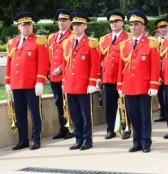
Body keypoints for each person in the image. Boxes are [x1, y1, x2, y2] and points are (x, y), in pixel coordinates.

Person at [5, 12, 49, 150]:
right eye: (24, 25)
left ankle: (36, 139)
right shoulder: (12, 43)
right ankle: (23, 139)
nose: (27, 27)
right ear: (18, 27)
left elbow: (43, 63)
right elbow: (9, 63)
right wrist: (7, 81)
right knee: (20, 113)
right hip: (17, 84)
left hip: (31, 84)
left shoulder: (39, 41)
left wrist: (40, 81)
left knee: (35, 112)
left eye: (29, 24)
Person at [117, 11, 160, 153]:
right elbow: (121, 67)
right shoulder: (125, 44)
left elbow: (154, 66)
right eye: (131, 24)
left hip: (144, 85)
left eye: (137, 24)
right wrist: (120, 84)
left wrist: (154, 84)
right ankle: (137, 142)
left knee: (144, 116)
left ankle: (146, 142)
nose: (133, 27)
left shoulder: (151, 43)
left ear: (143, 27)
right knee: (133, 116)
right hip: (129, 85)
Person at [62, 12, 100, 151]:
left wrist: (92, 83)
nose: (76, 27)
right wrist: (64, 81)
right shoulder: (67, 42)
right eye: (74, 25)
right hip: (70, 84)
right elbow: (65, 63)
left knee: (85, 114)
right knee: (74, 114)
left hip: (84, 85)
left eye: (79, 25)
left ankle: (87, 139)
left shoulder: (90, 43)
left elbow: (94, 65)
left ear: (85, 26)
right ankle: (78, 138)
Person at [98, 11, 130, 140]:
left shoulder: (128, 38)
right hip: (108, 77)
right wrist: (98, 77)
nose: (114, 24)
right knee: (110, 105)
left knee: (125, 104)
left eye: (116, 21)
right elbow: (99, 59)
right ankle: (110, 128)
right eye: (111, 22)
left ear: (122, 23)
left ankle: (126, 127)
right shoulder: (104, 39)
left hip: (123, 77)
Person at [47, 9, 73, 140]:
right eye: (60, 20)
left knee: (68, 102)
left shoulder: (72, 36)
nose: (62, 23)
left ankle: (70, 128)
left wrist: (61, 68)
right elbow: (49, 56)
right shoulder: (52, 37)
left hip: (66, 75)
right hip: (54, 76)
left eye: (64, 20)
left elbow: (72, 57)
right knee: (58, 103)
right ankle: (62, 128)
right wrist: (47, 71)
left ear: (70, 22)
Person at [153, 17, 168, 123]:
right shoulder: (155, 41)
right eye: (161, 27)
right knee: (161, 95)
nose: (163, 29)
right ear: (158, 29)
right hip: (159, 71)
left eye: (165, 27)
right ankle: (163, 113)